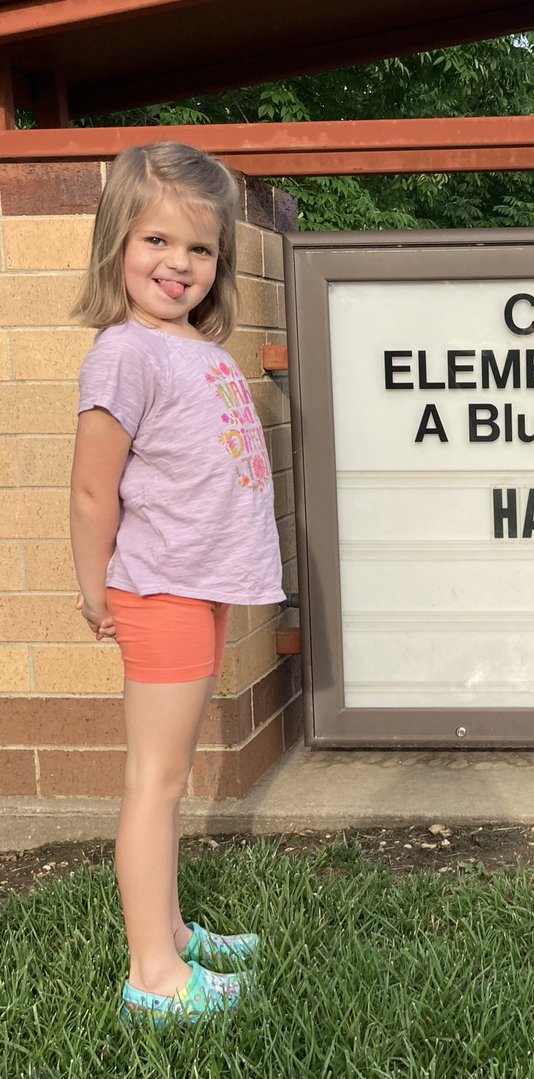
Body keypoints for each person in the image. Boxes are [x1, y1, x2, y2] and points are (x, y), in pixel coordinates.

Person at [69, 142, 285, 1026]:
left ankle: (173, 928)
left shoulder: (194, 345)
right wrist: (94, 587)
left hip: (196, 587)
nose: (179, 264)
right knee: (155, 780)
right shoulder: (125, 353)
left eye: (199, 249)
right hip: (156, 589)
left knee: (170, 770)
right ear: (117, 239)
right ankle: (152, 976)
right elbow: (92, 486)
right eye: (157, 241)